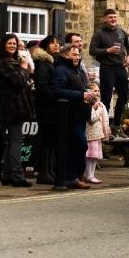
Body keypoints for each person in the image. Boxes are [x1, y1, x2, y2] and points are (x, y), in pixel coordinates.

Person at [0, 33, 33, 187]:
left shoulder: (3, 61)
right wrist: (23, 68)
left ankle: (7, 174)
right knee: (16, 141)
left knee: (10, 142)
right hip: (13, 107)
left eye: (14, 44)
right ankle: (17, 176)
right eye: (9, 43)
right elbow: (19, 81)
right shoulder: (6, 62)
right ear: (3, 45)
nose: (12, 46)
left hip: (7, 106)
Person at [52, 41, 94, 189]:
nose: (77, 57)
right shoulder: (61, 70)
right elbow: (57, 90)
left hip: (80, 115)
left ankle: (76, 176)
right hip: (69, 116)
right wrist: (80, 95)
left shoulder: (75, 70)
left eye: (78, 54)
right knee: (77, 145)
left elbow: (82, 88)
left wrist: (89, 96)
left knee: (79, 146)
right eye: (74, 54)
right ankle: (71, 177)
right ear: (65, 55)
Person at [90, 9, 129, 126]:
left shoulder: (121, 31)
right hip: (107, 68)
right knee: (106, 98)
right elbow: (92, 50)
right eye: (110, 17)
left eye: (114, 17)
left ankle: (116, 124)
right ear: (105, 19)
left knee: (124, 97)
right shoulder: (99, 33)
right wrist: (108, 50)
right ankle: (104, 126)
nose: (113, 19)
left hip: (120, 67)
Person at [32, 36, 60, 185]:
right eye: (52, 43)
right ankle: (43, 172)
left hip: (52, 106)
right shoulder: (44, 63)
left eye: (57, 43)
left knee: (50, 140)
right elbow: (42, 86)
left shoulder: (53, 62)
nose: (56, 45)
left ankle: (49, 171)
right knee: (45, 139)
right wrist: (56, 95)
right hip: (46, 106)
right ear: (46, 46)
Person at [84, 84, 111, 184]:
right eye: (94, 91)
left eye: (98, 91)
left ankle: (92, 175)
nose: (97, 93)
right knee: (89, 156)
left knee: (95, 156)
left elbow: (105, 119)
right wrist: (97, 109)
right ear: (89, 92)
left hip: (98, 135)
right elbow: (91, 119)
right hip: (90, 135)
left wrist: (107, 129)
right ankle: (88, 175)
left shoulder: (101, 104)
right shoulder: (89, 104)